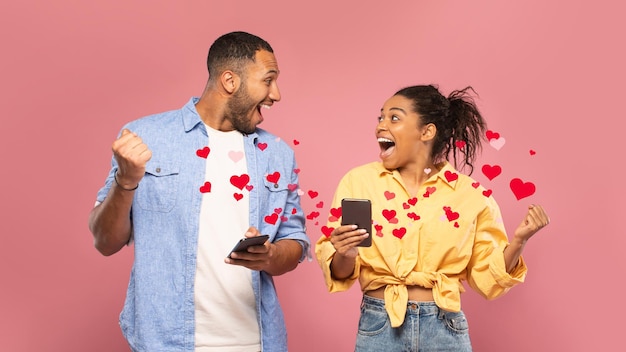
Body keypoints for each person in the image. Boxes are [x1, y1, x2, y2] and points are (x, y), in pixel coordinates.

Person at [88, 31, 310, 352]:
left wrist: (272, 255)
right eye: (268, 80)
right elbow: (105, 242)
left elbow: (295, 241)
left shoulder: (277, 153)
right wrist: (126, 180)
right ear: (230, 81)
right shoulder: (145, 137)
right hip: (165, 342)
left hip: (257, 341)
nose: (276, 94)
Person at [315, 84, 550, 351]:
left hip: (444, 327)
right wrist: (346, 253)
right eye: (380, 117)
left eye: (394, 117)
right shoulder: (358, 182)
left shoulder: (470, 195)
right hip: (379, 325)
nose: (381, 125)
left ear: (426, 131)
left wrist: (519, 241)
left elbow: (487, 280)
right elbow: (340, 273)